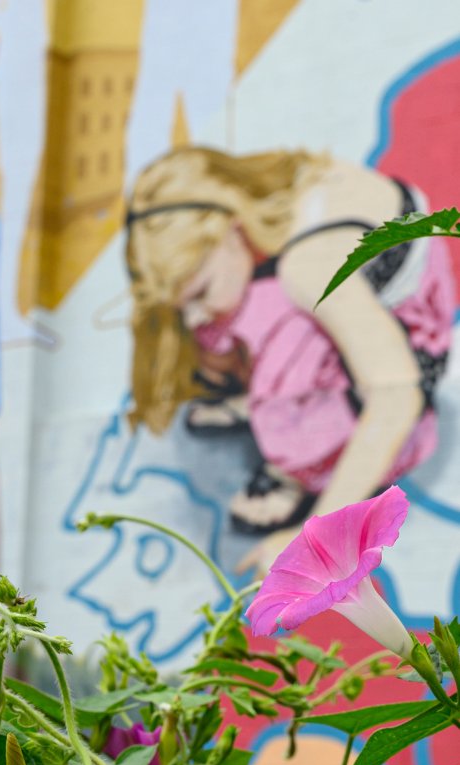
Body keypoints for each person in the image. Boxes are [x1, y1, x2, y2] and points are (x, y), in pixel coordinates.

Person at [125, 145, 455, 574]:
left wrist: (313, 540)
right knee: (220, 321)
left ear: (231, 230)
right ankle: (291, 406)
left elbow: (397, 395)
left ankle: (299, 462)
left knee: (258, 316)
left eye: (200, 291)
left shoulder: (308, 265)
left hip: (414, 350)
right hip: (387, 303)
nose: (194, 316)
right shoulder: (274, 199)